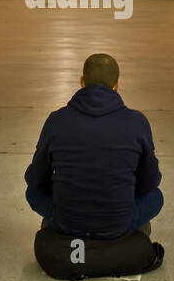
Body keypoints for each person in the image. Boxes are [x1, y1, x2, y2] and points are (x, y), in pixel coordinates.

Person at [25, 53, 163, 242]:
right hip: (118, 224)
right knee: (156, 196)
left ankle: (58, 226)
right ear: (117, 85)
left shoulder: (56, 120)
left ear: (82, 81)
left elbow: (35, 179)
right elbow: (150, 181)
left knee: (31, 192)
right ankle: (129, 234)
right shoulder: (137, 122)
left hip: (67, 222)